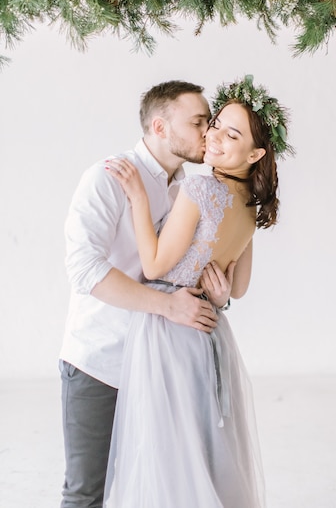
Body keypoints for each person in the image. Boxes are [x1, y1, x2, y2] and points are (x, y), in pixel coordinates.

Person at [103, 75, 292, 508]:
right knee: (203, 450)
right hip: (210, 334)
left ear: (256, 152)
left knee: (167, 453)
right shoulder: (250, 207)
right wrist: (219, 294)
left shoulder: (200, 188)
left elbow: (153, 265)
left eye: (232, 133)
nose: (215, 137)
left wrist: (136, 196)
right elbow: (237, 289)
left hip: (169, 330)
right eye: (216, 125)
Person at [59, 80, 236, 508]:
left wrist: (218, 294)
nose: (207, 134)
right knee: (86, 493)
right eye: (197, 122)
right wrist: (167, 306)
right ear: (159, 126)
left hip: (163, 367)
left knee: (164, 489)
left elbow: (184, 271)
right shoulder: (107, 177)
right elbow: (83, 269)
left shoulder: (190, 190)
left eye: (210, 123)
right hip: (102, 362)